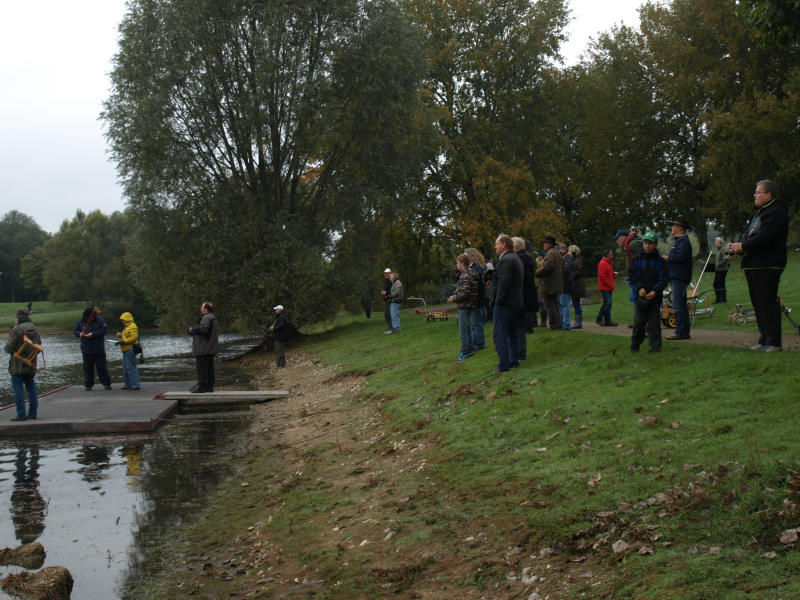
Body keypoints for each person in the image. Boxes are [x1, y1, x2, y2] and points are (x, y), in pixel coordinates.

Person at [727, 179, 789, 352]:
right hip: (753, 263)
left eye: (758, 192)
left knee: (767, 302)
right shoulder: (758, 214)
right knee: (758, 303)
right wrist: (739, 247)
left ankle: (774, 342)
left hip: (768, 263)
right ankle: (764, 338)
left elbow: (767, 236)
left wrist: (744, 246)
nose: (754, 195)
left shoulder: (777, 212)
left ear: (768, 194)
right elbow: (753, 236)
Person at [490, 234, 523, 372]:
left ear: (504, 244)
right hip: (516, 302)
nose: (495, 247)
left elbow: (504, 283)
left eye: (497, 244)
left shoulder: (506, 260)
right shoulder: (515, 258)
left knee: (500, 334)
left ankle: (503, 365)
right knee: (512, 333)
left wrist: (498, 302)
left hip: (505, 304)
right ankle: (513, 360)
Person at [630, 232, 668, 352]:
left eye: (650, 243)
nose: (647, 246)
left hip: (654, 298)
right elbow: (632, 276)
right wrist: (640, 288)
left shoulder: (660, 261)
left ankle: (655, 347)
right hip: (640, 297)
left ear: (655, 244)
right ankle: (635, 345)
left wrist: (655, 291)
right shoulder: (636, 259)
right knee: (639, 323)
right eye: (645, 243)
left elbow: (663, 279)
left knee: (654, 324)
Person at [5, 309, 42, 421]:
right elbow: (39, 345)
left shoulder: (16, 329)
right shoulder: (34, 328)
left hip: (17, 365)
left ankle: (21, 414)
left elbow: (8, 348)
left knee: (18, 389)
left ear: (18, 318)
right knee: (31, 388)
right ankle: (32, 413)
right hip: (30, 363)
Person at [663, 218, 692, 340]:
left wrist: (668, 258)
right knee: (681, 305)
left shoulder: (683, 241)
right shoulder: (679, 241)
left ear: (679, 228)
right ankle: (684, 331)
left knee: (678, 305)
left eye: (674, 226)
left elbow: (681, 257)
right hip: (677, 277)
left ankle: (680, 332)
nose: (672, 228)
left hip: (679, 277)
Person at [447, 254, 479, 361]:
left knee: (463, 331)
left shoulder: (465, 275)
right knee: (468, 329)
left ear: (462, 263)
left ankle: (465, 352)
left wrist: (454, 298)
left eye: (457, 263)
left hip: (465, 305)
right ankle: (470, 350)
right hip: (471, 305)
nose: (457, 265)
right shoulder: (472, 272)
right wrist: (457, 292)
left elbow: (465, 293)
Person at [73, 307, 112, 391]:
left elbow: (104, 330)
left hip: (98, 349)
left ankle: (106, 384)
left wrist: (93, 334)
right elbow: (75, 330)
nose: (88, 319)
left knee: (102, 368)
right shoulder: (81, 321)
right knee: (87, 369)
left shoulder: (100, 321)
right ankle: (88, 385)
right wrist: (79, 334)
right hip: (86, 349)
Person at [512, 238, 538, 359]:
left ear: (516, 247)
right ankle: (521, 351)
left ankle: (519, 352)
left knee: (517, 325)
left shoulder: (517, 259)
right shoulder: (529, 258)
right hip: (528, 295)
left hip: (520, 295)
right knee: (521, 325)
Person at [187, 301, 219, 392]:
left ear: (206, 309)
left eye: (202, 307)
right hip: (210, 348)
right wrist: (192, 331)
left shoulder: (207, 318)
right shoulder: (213, 318)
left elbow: (203, 330)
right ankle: (209, 387)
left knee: (202, 368)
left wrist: (191, 329)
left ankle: (202, 387)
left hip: (203, 349)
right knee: (209, 368)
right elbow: (205, 332)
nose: (201, 309)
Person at [535, 236, 563, 330]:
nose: (544, 245)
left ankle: (554, 325)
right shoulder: (556, 253)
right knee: (554, 305)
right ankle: (558, 324)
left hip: (549, 284)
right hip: (555, 284)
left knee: (550, 306)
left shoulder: (550, 253)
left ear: (549, 244)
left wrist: (537, 272)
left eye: (545, 243)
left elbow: (547, 267)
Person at [465, 248, 487, 350]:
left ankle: (478, 344)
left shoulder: (474, 269)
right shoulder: (478, 268)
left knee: (475, 324)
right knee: (476, 324)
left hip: (475, 301)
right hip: (478, 300)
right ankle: (477, 343)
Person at [614, 229, 644, 303]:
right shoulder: (629, 245)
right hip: (635, 279)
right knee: (635, 300)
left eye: (617, 238)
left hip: (638, 280)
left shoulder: (633, 244)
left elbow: (643, 261)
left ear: (624, 237)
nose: (616, 241)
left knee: (637, 301)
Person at [115, 312, 140, 390]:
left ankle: (135, 385)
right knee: (126, 367)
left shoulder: (133, 326)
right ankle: (128, 384)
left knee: (131, 367)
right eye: (122, 320)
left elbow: (134, 338)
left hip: (130, 349)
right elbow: (126, 337)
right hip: (125, 349)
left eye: (124, 320)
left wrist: (124, 341)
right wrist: (120, 336)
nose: (123, 321)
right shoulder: (127, 327)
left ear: (127, 319)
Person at [596, 249, 617, 326]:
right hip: (605, 287)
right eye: (611, 254)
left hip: (608, 287)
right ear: (607, 255)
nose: (612, 255)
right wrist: (609, 284)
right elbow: (602, 277)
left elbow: (607, 274)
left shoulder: (608, 263)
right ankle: (599, 318)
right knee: (607, 303)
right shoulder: (603, 263)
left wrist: (613, 275)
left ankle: (608, 320)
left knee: (608, 304)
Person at [569, 245, 586, 329]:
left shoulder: (577, 261)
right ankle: (578, 321)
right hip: (577, 284)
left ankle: (578, 322)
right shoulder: (577, 260)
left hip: (577, 285)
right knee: (576, 304)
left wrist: (570, 275)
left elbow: (580, 271)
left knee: (576, 304)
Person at [558, 243, 573, 330]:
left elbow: (565, 272)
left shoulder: (567, 259)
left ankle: (566, 324)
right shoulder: (565, 259)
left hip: (565, 285)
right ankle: (564, 323)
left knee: (565, 305)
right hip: (563, 285)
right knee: (562, 305)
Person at [713, 237, 729, 304]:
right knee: (715, 284)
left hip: (722, 270)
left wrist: (719, 264)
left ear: (720, 243)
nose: (715, 243)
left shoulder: (723, 249)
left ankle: (722, 299)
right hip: (718, 270)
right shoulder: (719, 250)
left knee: (720, 284)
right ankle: (718, 299)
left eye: (716, 242)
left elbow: (726, 258)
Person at [380, 268, 393, 334]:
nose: (386, 274)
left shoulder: (391, 280)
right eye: (385, 273)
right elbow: (386, 289)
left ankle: (391, 328)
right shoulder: (386, 281)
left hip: (391, 299)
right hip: (387, 299)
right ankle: (390, 328)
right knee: (386, 314)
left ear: (390, 273)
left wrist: (386, 292)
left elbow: (392, 290)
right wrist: (382, 292)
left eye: (387, 273)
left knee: (388, 314)